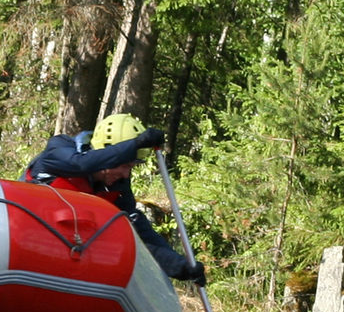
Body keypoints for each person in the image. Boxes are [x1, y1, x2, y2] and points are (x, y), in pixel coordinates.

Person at [21, 112, 206, 283]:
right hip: (26, 239)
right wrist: (135, 144)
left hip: (68, 256)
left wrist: (181, 267)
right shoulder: (59, 148)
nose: (126, 175)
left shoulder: (116, 186)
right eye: (124, 165)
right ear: (108, 153)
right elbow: (80, 164)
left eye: (131, 167)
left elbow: (139, 232)